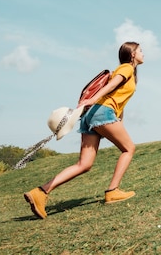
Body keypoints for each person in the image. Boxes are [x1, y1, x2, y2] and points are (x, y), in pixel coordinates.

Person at [23, 42, 144, 219]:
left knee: (84, 164)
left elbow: (118, 99)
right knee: (129, 149)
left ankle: (40, 192)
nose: (143, 53)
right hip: (101, 111)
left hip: (93, 115)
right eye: (140, 50)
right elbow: (109, 88)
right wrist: (92, 99)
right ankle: (113, 191)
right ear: (132, 54)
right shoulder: (126, 68)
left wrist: (119, 121)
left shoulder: (128, 73)